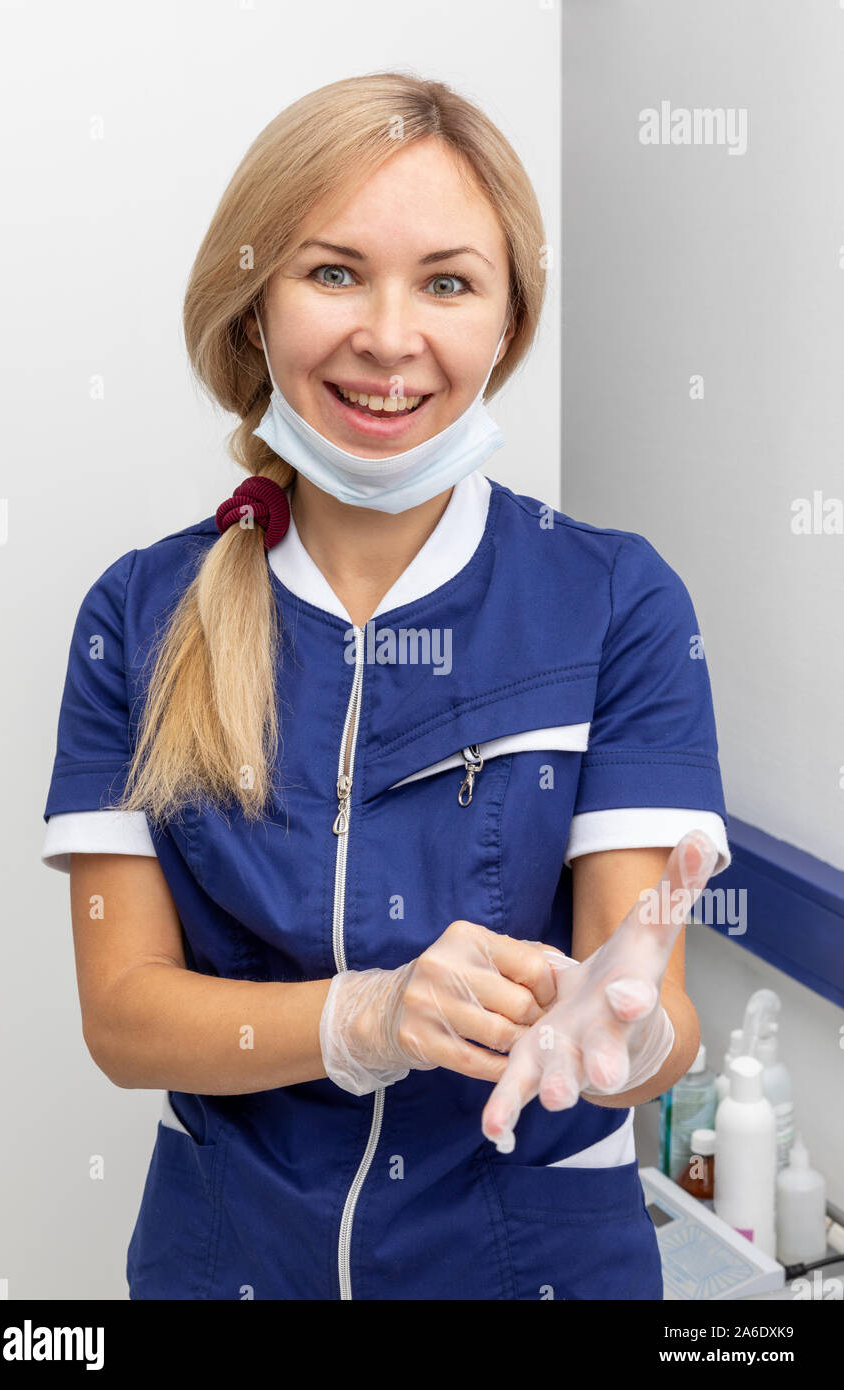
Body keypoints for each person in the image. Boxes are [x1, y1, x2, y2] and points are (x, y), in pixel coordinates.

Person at [41, 72, 730, 1301]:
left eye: (449, 282)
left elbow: (650, 1011)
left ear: (507, 327)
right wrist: (362, 1016)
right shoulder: (137, 619)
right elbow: (124, 1016)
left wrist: (622, 1037)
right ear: (255, 311)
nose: (391, 336)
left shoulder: (619, 604)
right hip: (228, 1265)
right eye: (335, 271)